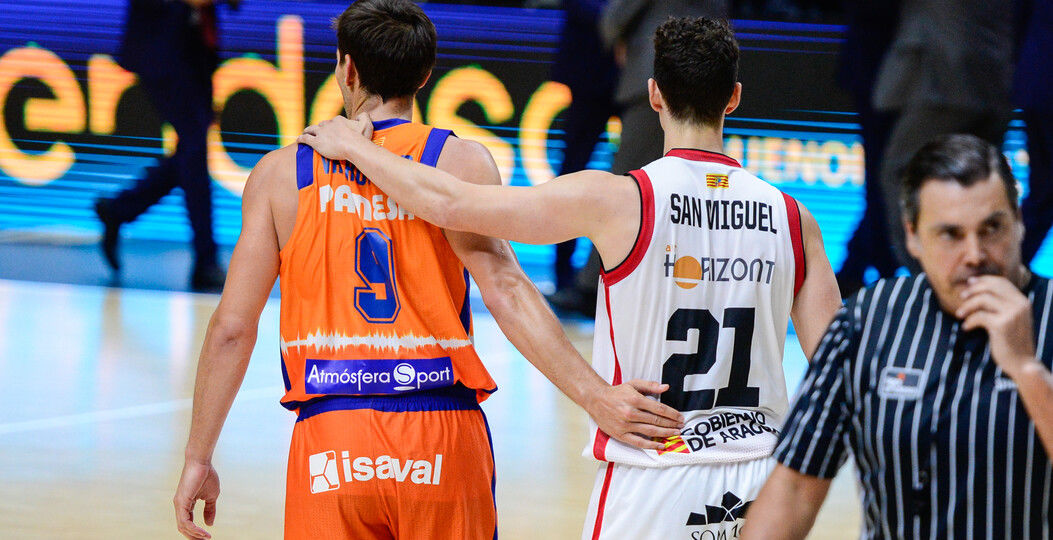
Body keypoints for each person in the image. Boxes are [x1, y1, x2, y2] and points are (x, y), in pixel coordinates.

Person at [299, 17, 843, 539]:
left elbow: (450, 203)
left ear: (654, 94)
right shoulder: (795, 219)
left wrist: (353, 146)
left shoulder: (618, 199)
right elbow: (841, 369)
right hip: (759, 478)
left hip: (656, 466)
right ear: (734, 97)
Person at [171, 1, 681, 539]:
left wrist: (198, 457)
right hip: (441, 431)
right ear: (425, 74)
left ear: (347, 68)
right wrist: (596, 396)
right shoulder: (458, 162)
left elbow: (232, 329)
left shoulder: (278, 174)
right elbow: (507, 290)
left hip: (331, 435)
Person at [742, 134, 1053, 539]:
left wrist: (1028, 370)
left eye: (992, 228)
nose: (975, 254)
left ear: (1019, 221)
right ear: (912, 236)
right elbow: (795, 489)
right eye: (950, 234)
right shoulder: (865, 322)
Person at [871, 0, 1014, 272]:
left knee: (901, 173)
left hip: (947, 83)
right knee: (982, 183)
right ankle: (979, 271)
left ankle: (929, 274)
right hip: (993, 81)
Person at [94, 0, 227, 290]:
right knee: (193, 152)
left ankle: (118, 210)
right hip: (162, 48)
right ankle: (205, 261)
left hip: (195, 51)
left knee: (190, 154)